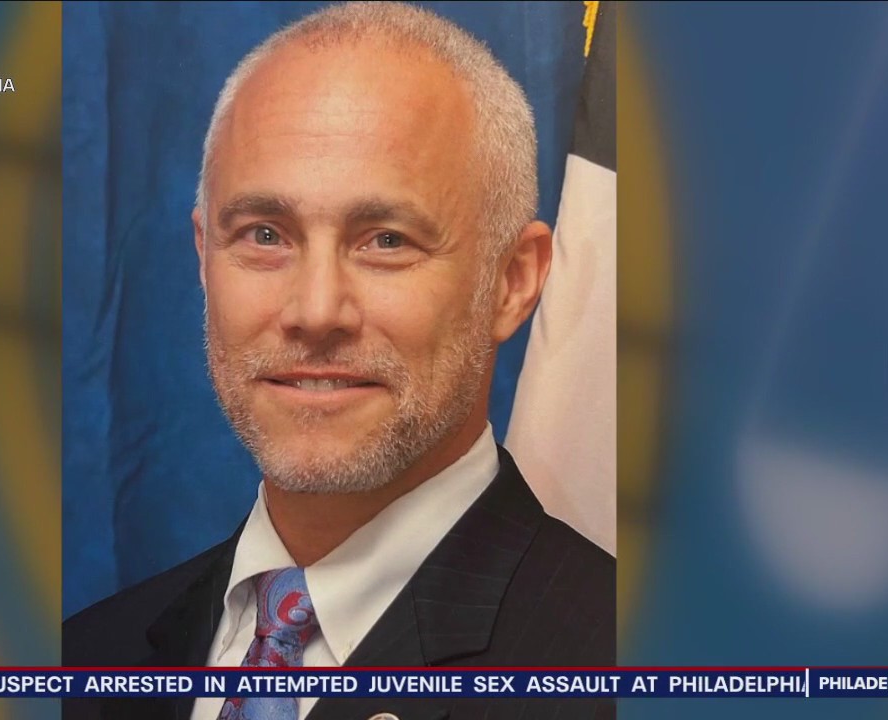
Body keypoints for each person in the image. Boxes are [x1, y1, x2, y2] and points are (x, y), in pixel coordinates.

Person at [64, 3, 615, 719]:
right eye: (265, 234)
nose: (316, 310)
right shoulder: (84, 657)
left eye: (386, 240)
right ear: (204, 257)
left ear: (512, 281)